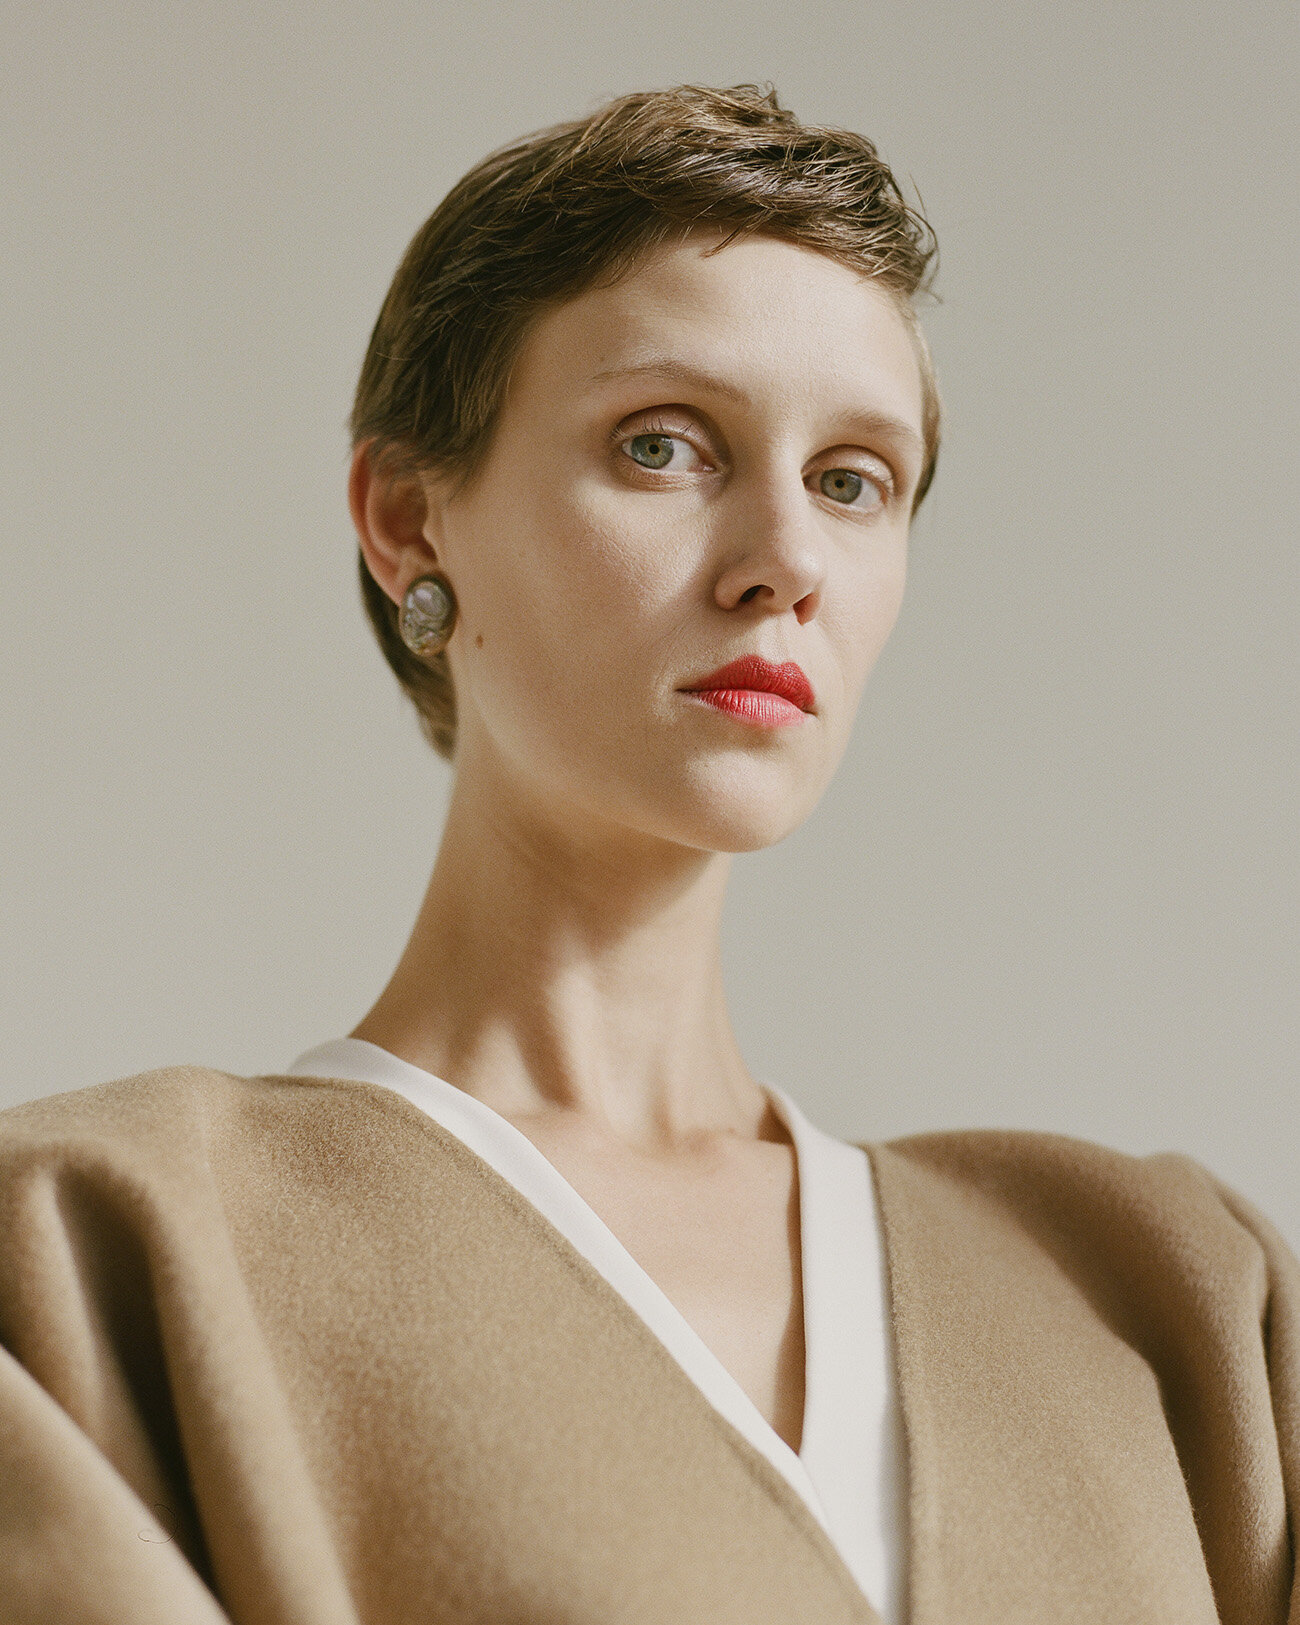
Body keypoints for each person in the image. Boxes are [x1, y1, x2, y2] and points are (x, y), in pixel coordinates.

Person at [0, 83, 1295, 1625]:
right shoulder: (98, 1250)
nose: (787, 562)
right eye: (666, 445)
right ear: (409, 519)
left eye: (852, 479)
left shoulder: (1178, 1299)